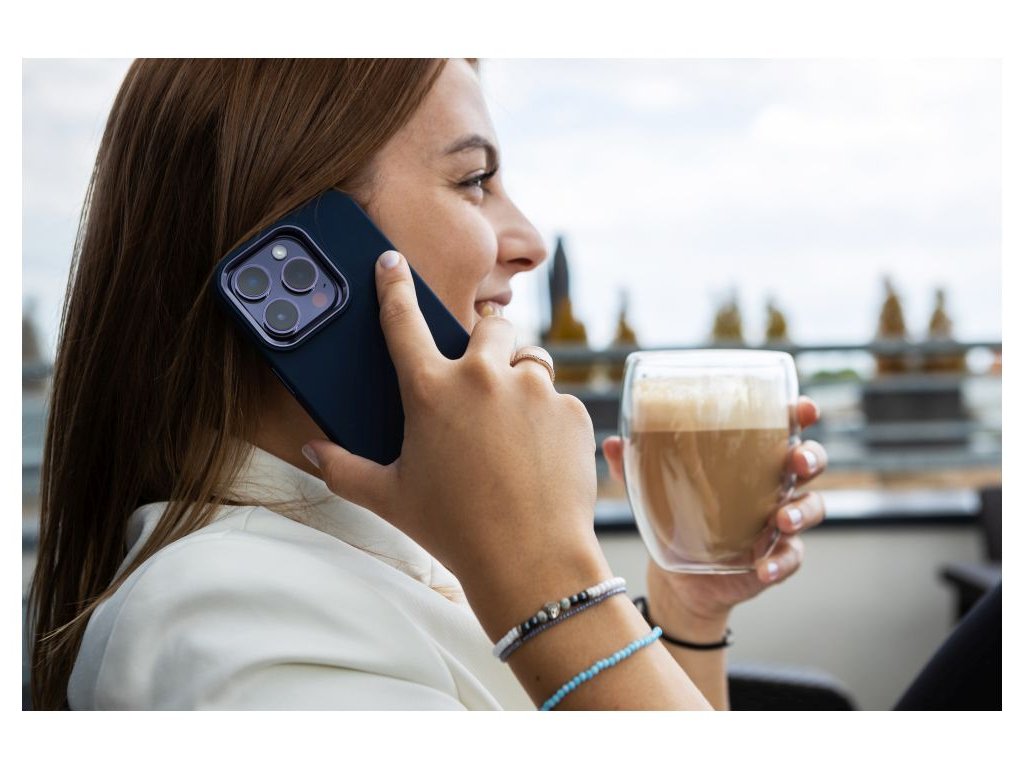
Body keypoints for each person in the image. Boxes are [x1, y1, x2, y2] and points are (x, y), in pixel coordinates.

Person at [29, 58, 828, 710]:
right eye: (474, 179)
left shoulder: (397, 540)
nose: (530, 242)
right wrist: (556, 579)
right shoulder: (230, 626)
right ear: (301, 245)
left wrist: (685, 614)